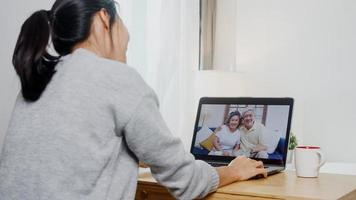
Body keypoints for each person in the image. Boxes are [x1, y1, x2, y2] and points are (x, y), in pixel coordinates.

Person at [0, 0, 267, 199]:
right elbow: (185, 181)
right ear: (105, 18)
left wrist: (132, 154)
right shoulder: (117, 77)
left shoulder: (39, 78)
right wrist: (232, 170)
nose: (127, 36)